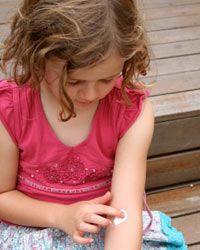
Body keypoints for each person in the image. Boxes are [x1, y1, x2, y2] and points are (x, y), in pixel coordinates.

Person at [0, 0, 187, 249]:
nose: (90, 94)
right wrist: (61, 216)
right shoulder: (11, 109)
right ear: (38, 56)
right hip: (29, 227)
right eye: (75, 81)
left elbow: (125, 210)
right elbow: (2, 196)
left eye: (106, 79)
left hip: (105, 230)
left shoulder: (130, 112)